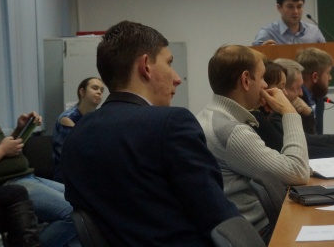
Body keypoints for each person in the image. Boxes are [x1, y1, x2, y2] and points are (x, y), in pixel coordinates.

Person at [61, 20, 255, 246]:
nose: (177, 78)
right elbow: (219, 218)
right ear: (145, 66)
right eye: (169, 63)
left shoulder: (76, 135)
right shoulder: (172, 124)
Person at [196, 45, 310, 244]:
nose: (265, 85)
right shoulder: (232, 131)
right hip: (259, 232)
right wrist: (290, 112)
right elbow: (298, 172)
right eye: (263, 77)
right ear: (246, 80)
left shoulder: (209, 116)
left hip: (246, 229)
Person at [250, 60, 334, 158]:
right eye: (281, 87)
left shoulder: (269, 114)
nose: (285, 93)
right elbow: (297, 149)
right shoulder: (261, 118)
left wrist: (307, 113)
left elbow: (305, 140)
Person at [0, 112, 78, 247]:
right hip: (9, 184)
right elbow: (1, 150)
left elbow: (4, 149)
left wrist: (20, 130)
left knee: (84, 203)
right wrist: (2, 149)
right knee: (74, 214)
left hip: (27, 176)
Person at [51, 77, 105, 182]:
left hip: (87, 170)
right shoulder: (68, 118)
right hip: (68, 175)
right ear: (82, 92)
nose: (99, 92)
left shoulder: (98, 117)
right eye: (95, 88)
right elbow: (76, 152)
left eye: (102, 90)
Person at [252, 0, 326, 46]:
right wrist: (264, 50)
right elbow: (254, 56)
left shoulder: (314, 31)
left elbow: (327, 54)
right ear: (279, 8)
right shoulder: (268, 33)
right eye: (290, 7)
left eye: (299, 6)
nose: (295, 11)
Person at [295, 47, 334, 135]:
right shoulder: (296, 101)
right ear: (315, 77)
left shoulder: (319, 99)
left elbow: (318, 136)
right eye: (328, 73)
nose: (330, 77)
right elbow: (306, 138)